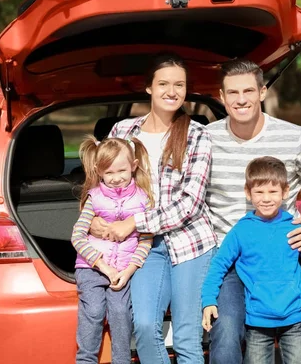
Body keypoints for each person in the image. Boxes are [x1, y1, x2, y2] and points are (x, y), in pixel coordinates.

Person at [205, 58, 301, 364]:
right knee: (226, 328)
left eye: (248, 90)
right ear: (221, 96)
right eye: (232, 93)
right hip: (233, 261)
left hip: (289, 258)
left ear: (262, 91)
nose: (241, 99)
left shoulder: (294, 136)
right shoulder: (205, 140)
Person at [90, 53, 216, 364]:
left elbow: (191, 203)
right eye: (163, 84)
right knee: (145, 327)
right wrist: (92, 218)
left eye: (179, 85)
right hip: (144, 247)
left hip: (190, 244)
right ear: (148, 88)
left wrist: (133, 221)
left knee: (187, 338)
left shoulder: (197, 134)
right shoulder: (123, 132)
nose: (171, 91)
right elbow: (102, 185)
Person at [201, 156, 301, 364]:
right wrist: (209, 300)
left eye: (273, 191)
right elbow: (219, 266)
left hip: (293, 321)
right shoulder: (241, 231)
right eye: (259, 192)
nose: (266, 198)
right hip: (257, 324)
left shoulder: (295, 228)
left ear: (285, 192)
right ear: (248, 193)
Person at [71, 135, 154, 364]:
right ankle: (85, 360)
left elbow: (146, 239)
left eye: (122, 171)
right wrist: (103, 266)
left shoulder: (143, 199)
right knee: (95, 311)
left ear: (134, 166)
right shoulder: (94, 198)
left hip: (123, 271)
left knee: (120, 314)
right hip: (92, 268)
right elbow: (77, 236)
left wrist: (128, 271)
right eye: (109, 173)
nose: (116, 178)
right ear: (99, 171)